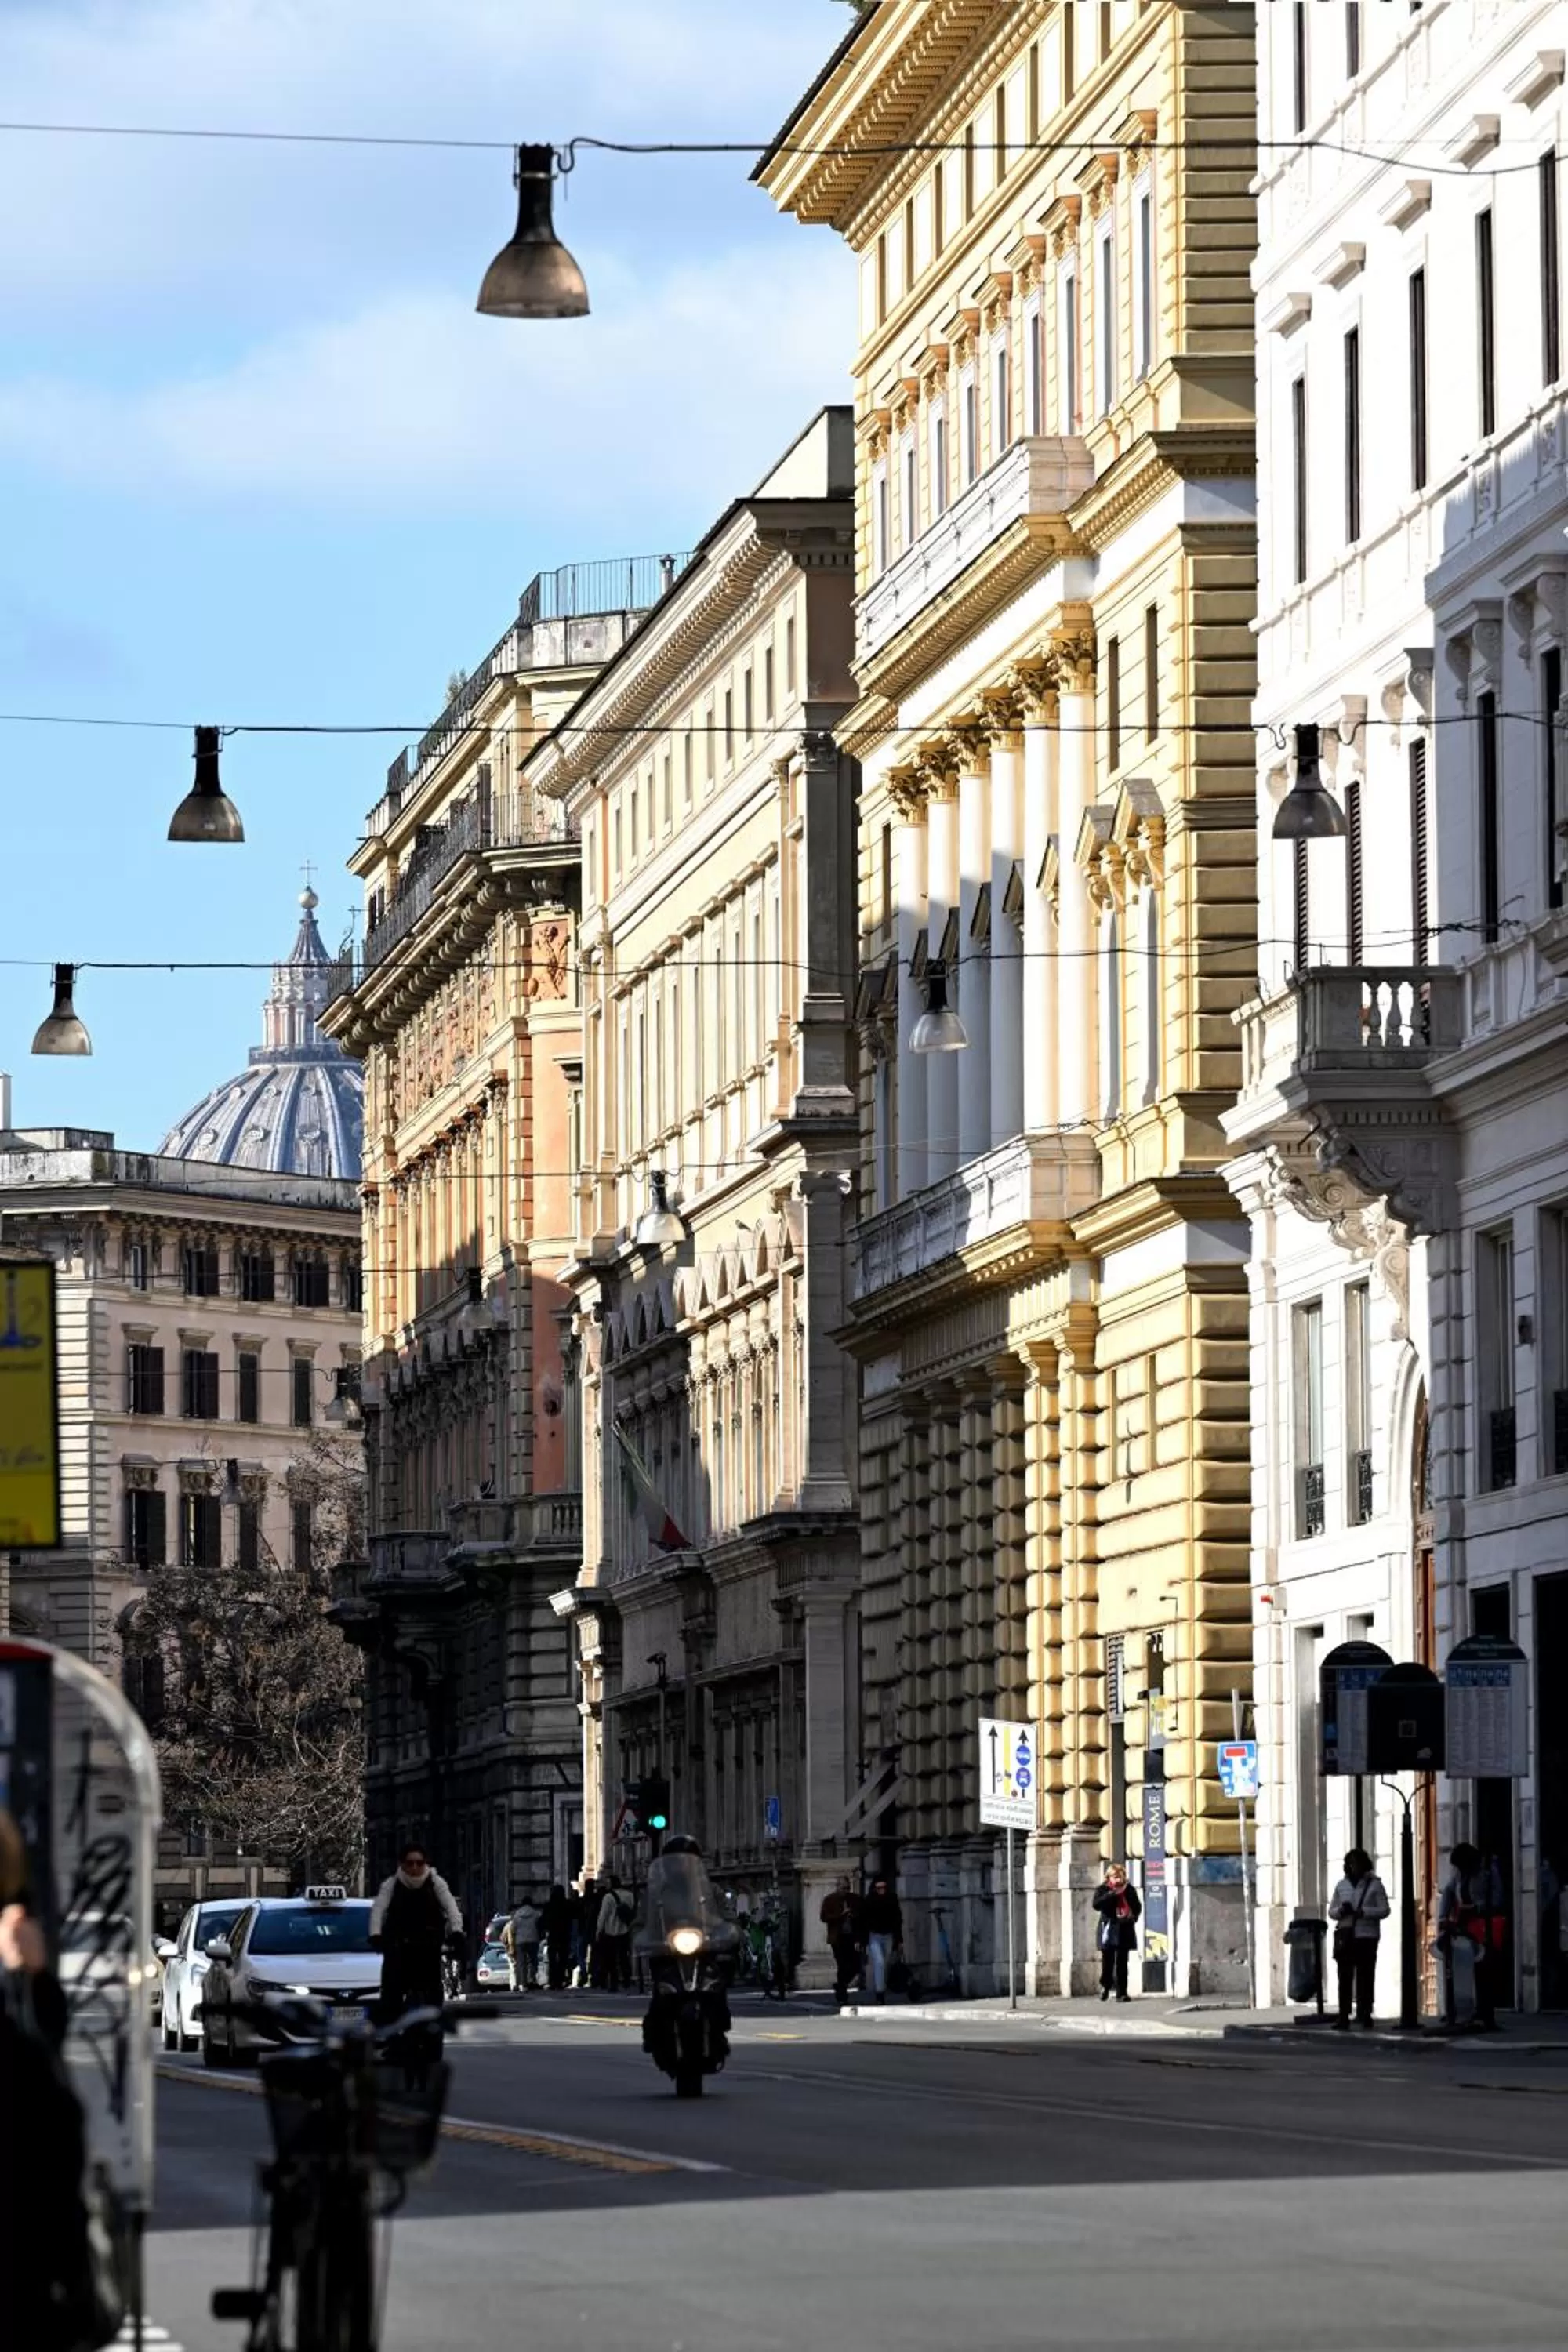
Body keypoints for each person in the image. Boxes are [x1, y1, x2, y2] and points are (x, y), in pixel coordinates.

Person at [368, 1841, 464, 2025]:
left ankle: (434, 2026)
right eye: (410, 1863)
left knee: (434, 1990)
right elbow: (378, 1910)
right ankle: (390, 2033)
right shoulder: (392, 1884)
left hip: (427, 1945)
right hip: (399, 1945)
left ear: (425, 1863)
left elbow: (452, 1909)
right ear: (402, 1865)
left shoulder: (436, 1883)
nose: (415, 1868)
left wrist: (457, 1932)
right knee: (391, 1991)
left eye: (419, 1863)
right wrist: (376, 1935)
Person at [1439, 1841, 1504, 2029]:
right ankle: (1461, 2010)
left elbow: (1499, 1899)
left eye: (1461, 1865)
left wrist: (1476, 1908)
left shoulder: (1488, 1871)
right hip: (1465, 1925)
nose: (1459, 1869)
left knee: (1485, 1968)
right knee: (1464, 1969)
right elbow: (1449, 1892)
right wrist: (1443, 1917)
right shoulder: (1460, 1874)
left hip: (1484, 1924)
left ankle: (1486, 2011)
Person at [1327, 1846, 1389, 2029]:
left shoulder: (1375, 1885)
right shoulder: (1341, 1885)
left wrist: (1364, 1912)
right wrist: (1341, 1911)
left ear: (1364, 1865)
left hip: (1367, 1936)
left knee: (1365, 1976)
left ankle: (1365, 2013)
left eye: (1357, 1863)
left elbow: (1385, 1910)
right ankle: (1344, 2015)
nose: (1354, 1867)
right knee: (1344, 1977)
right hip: (1346, 1935)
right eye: (1351, 1863)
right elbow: (1331, 1911)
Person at [1092, 1863, 1142, 2003]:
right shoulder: (1103, 1889)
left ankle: (1122, 1993)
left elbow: (1137, 1906)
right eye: (1115, 1877)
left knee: (1122, 1962)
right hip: (1109, 1927)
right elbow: (1096, 1904)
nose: (1119, 1880)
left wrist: (1133, 1917)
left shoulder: (1129, 1889)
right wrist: (1111, 1894)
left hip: (1124, 1927)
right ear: (1109, 1877)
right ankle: (1106, 1987)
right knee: (1108, 1962)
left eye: (1121, 1877)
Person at [820, 1875, 862, 2006]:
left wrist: (853, 1915)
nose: (845, 1890)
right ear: (837, 1887)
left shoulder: (854, 1899)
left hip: (851, 1937)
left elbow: (861, 1916)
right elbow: (824, 1917)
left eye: (847, 1888)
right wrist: (841, 1915)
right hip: (837, 1938)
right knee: (842, 1965)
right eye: (843, 1888)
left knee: (856, 1965)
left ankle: (840, 1985)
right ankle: (842, 1995)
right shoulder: (829, 1900)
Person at [860, 1875, 903, 2005]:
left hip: (889, 1935)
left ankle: (882, 1988)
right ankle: (880, 1993)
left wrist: (899, 1940)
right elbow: (864, 1921)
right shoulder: (869, 1900)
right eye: (879, 1888)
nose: (882, 1891)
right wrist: (862, 1940)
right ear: (874, 1889)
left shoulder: (892, 1899)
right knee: (879, 1962)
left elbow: (897, 1919)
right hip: (874, 1935)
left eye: (884, 1888)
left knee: (886, 1963)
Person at [595, 1874, 635, 1991]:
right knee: (624, 1958)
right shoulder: (630, 1895)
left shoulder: (608, 1897)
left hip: (611, 1932)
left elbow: (603, 1916)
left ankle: (614, 1983)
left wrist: (599, 1930)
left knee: (611, 1960)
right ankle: (627, 1980)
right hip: (626, 1930)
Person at [503, 1893, 541, 1993]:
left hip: (520, 1942)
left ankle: (523, 1984)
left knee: (521, 1963)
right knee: (533, 1962)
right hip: (533, 1939)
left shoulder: (517, 1914)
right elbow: (540, 1926)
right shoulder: (536, 1913)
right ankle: (532, 1980)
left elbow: (513, 1928)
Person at [542, 1882, 573, 1991]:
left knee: (552, 1959)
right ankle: (560, 1980)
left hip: (553, 1935)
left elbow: (544, 1920)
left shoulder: (548, 1905)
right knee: (563, 1959)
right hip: (565, 1934)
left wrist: (545, 1930)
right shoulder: (567, 1904)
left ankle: (553, 1980)